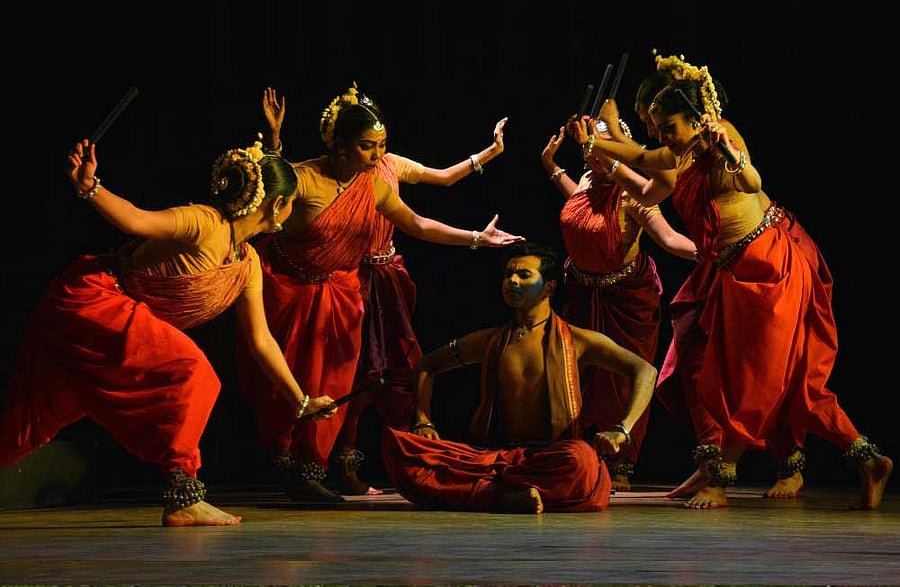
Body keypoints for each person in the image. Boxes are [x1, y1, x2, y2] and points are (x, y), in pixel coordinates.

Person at [568, 53, 893, 510]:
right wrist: (605, 138)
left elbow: (744, 176)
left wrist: (610, 140)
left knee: (758, 379)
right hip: (726, 269)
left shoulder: (720, 138)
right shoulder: (680, 150)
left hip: (768, 267)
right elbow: (645, 179)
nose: (661, 135)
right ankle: (733, 464)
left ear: (697, 118)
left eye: (666, 126)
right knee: (697, 365)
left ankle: (723, 475)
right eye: (655, 126)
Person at [0, 136, 339, 527]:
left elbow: (261, 341)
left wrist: (301, 402)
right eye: (293, 202)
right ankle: (183, 494)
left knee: (28, 427)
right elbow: (135, 219)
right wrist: (90, 187)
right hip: (92, 301)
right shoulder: (205, 222)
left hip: (106, 321)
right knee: (194, 371)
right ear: (278, 205)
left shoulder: (245, 263)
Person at [237, 83, 524, 503]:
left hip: (339, 293)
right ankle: (284, 460)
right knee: (284, 381)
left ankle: (309, 467)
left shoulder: (373, 185)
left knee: (335, 381)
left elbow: (419, 225)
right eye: (368, 147)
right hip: (286, 290)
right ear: (339, 145)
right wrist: (275, 141)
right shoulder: (304, 178)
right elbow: (263, 201)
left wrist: (477, 238)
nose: (377, 156)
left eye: (382, 146)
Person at [380, 242, 658, 513]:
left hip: (552, 457)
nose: (511, 281)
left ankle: (491, 493)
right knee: (404, 449)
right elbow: (427, 365)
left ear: (549, 287)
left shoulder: (578, 340)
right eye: (508, 274)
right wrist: (422, 420)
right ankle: (508, 495)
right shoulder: (489, 341)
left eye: (523, 274)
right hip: (493, 457)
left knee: (582, 462)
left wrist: (622, 429)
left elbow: (645, 371)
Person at [540, 115, 698, 491]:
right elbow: (579, 204)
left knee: (620, 380)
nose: (591, 154)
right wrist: (551, 166)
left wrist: (712, 253)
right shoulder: (587, 179)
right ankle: (579, 455)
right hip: (580, 293)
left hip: (626, 300)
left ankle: (621, 461)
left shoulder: (632, 192)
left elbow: (669, 239)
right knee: (579, 376)